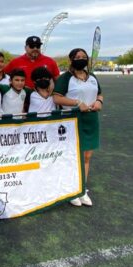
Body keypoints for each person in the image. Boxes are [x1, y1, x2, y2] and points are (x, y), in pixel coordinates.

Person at [53, 48, 104, 207]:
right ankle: (71, 189)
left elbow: (100, 94)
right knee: (73, 156)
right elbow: (57, 98)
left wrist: (99, 102)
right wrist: (77, 103)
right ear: (71, 60)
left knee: (87, 156)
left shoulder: (92, 77)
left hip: (91, 119)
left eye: (84, 57)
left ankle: (82, 188)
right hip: (72, 121)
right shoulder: (65, 78)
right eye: (77, 57)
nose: (81, 59)